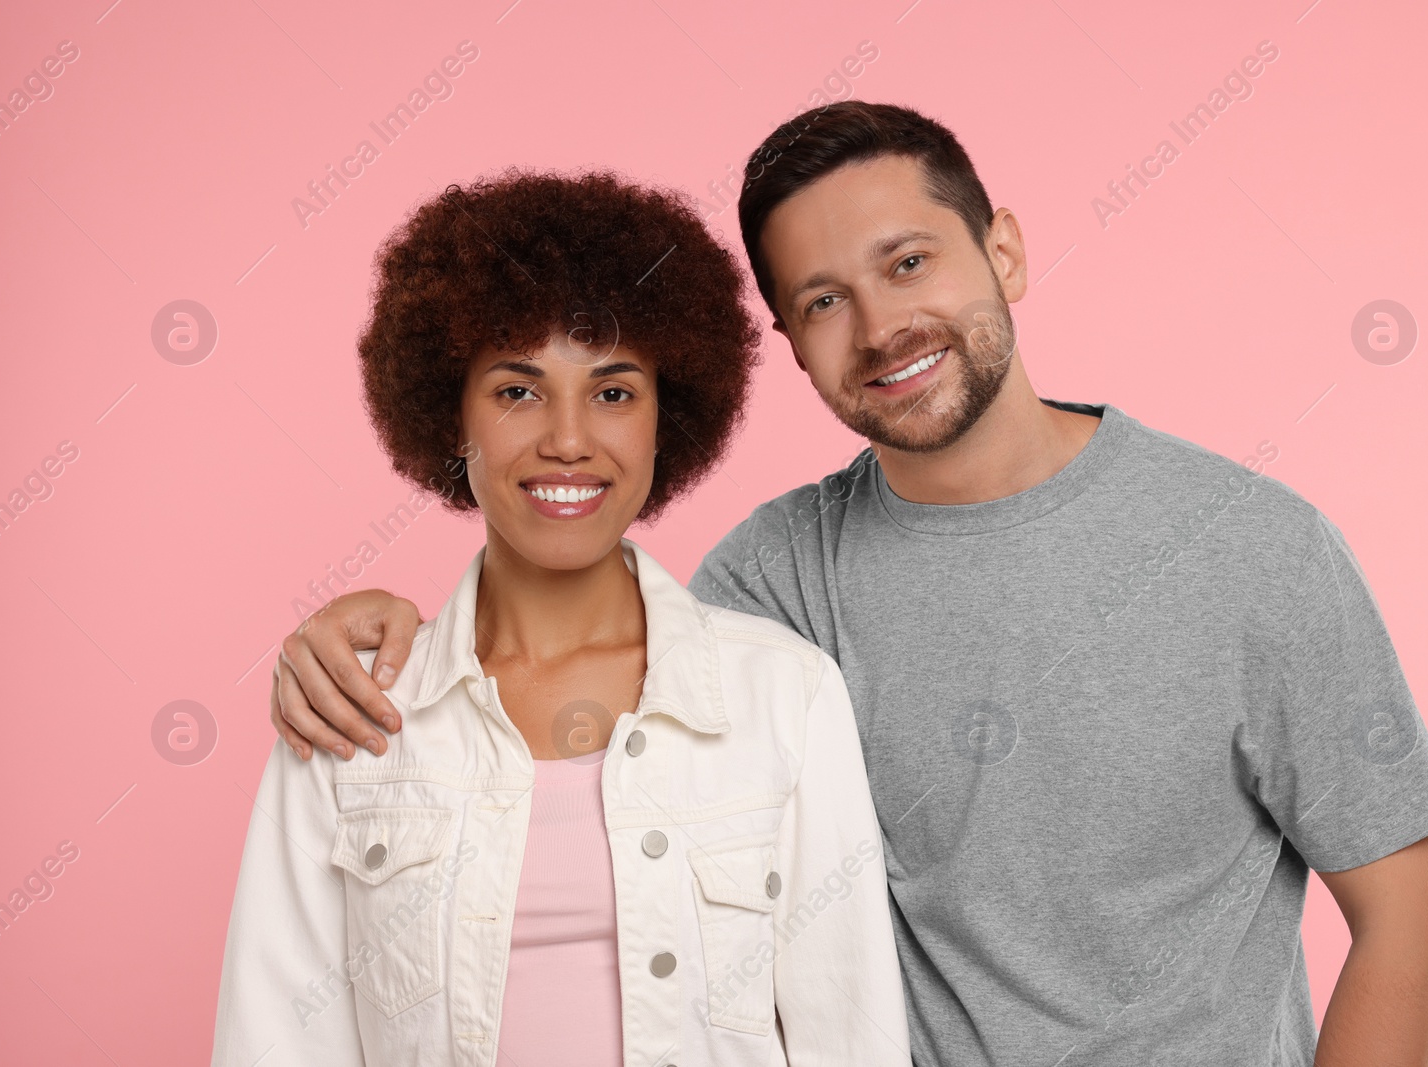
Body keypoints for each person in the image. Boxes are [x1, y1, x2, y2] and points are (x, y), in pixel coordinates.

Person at [269, 103, 1428, 1066]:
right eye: (824, 302)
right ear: (786, 345)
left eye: (908, 262)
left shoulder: (1248, 547)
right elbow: (563, 648)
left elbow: (1417, 921)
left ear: (999, 245)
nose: (882, 325)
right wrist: (377, 633)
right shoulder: (773, 580)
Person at [212, 168, 910, 1067]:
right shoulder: (353, 711)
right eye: (517, 390)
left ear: (670, 419)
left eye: (614, 392)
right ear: (449, 416)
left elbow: (849, 1034)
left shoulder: (785, 696)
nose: (569, 438)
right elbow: (274, 1040)